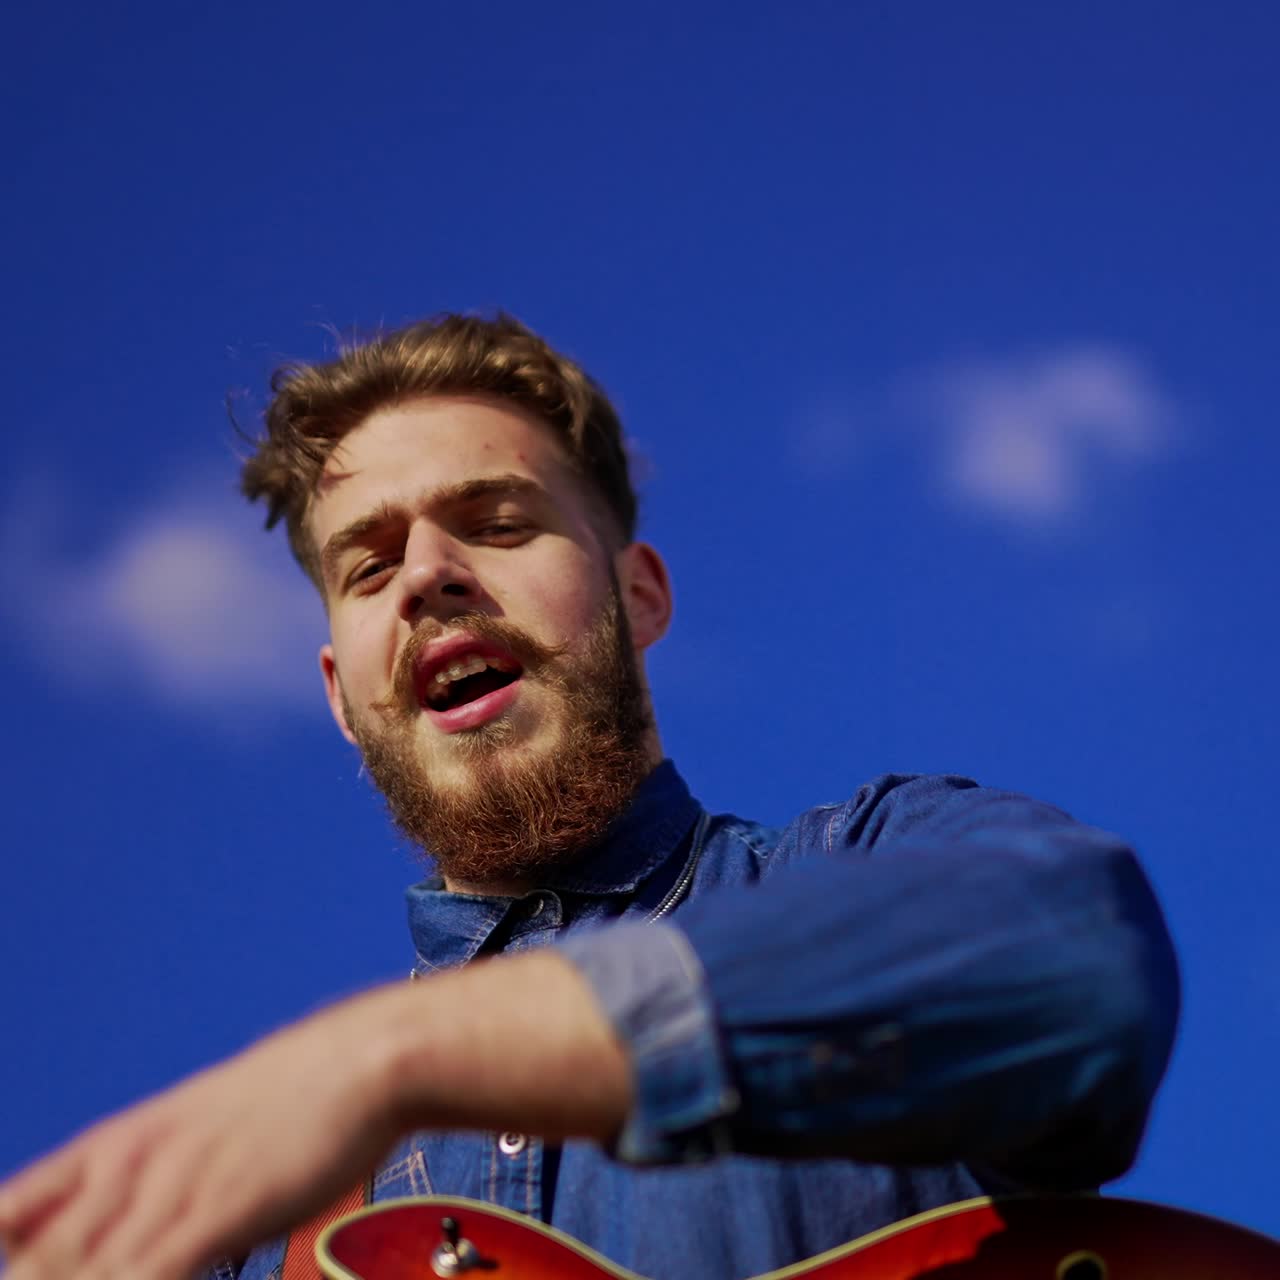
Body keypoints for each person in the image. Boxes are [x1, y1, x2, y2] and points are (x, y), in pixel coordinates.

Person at [0, 314, 1180, 1280]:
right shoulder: (246, 1229)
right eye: (367, 564)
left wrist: (397, 1056)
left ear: (640, 594)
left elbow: (1080, 957)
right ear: (338, 694)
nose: (426, 575)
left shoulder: (864, 858)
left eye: (494, 521)